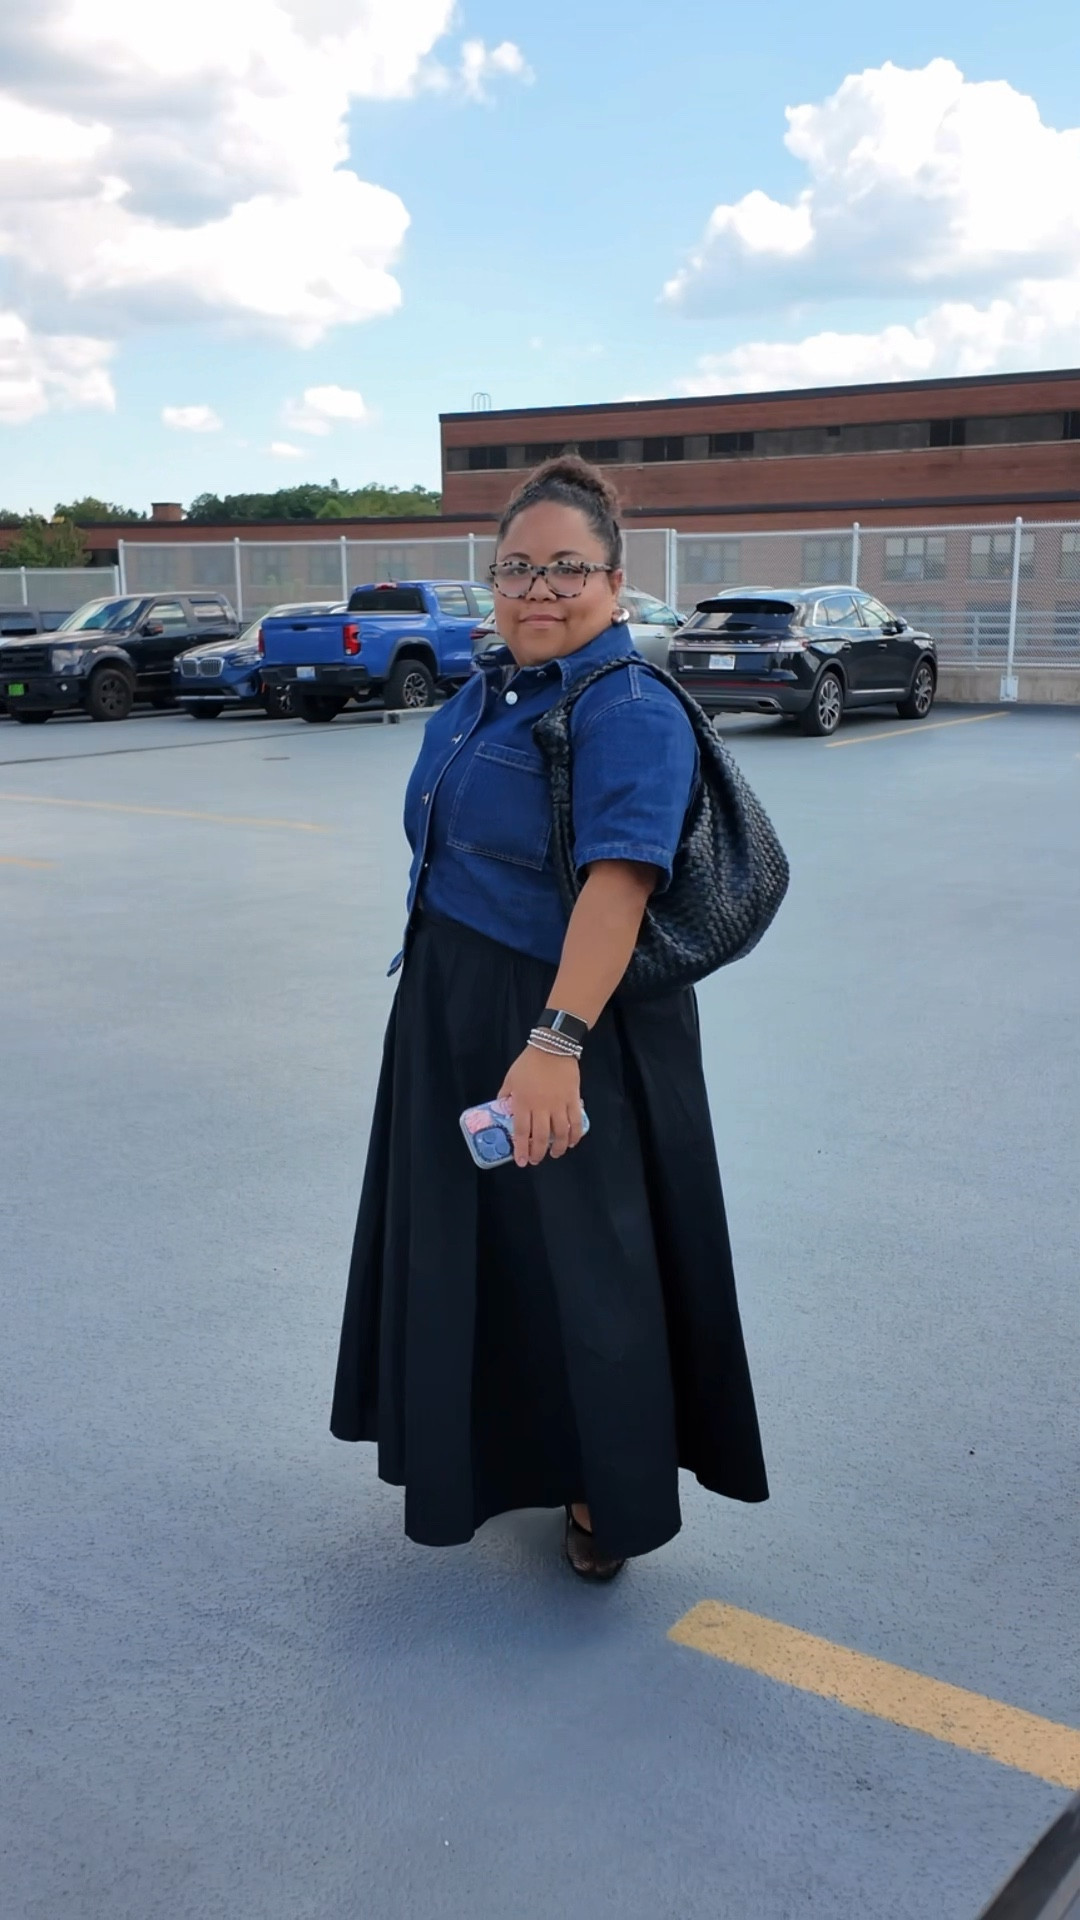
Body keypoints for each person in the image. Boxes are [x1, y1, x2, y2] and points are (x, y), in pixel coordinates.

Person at [331, 455, 767, 1580]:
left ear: (616, 582)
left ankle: (600, 1491)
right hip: (451, 1015)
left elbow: (620, 885)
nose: (539, 589)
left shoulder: (628, 705)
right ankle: (498, 1456)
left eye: (568, 567)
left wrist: (554, 1043)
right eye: (517, 567)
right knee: (494, 1257)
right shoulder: (487, 693)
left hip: (567, 1025)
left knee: (586, 1266)